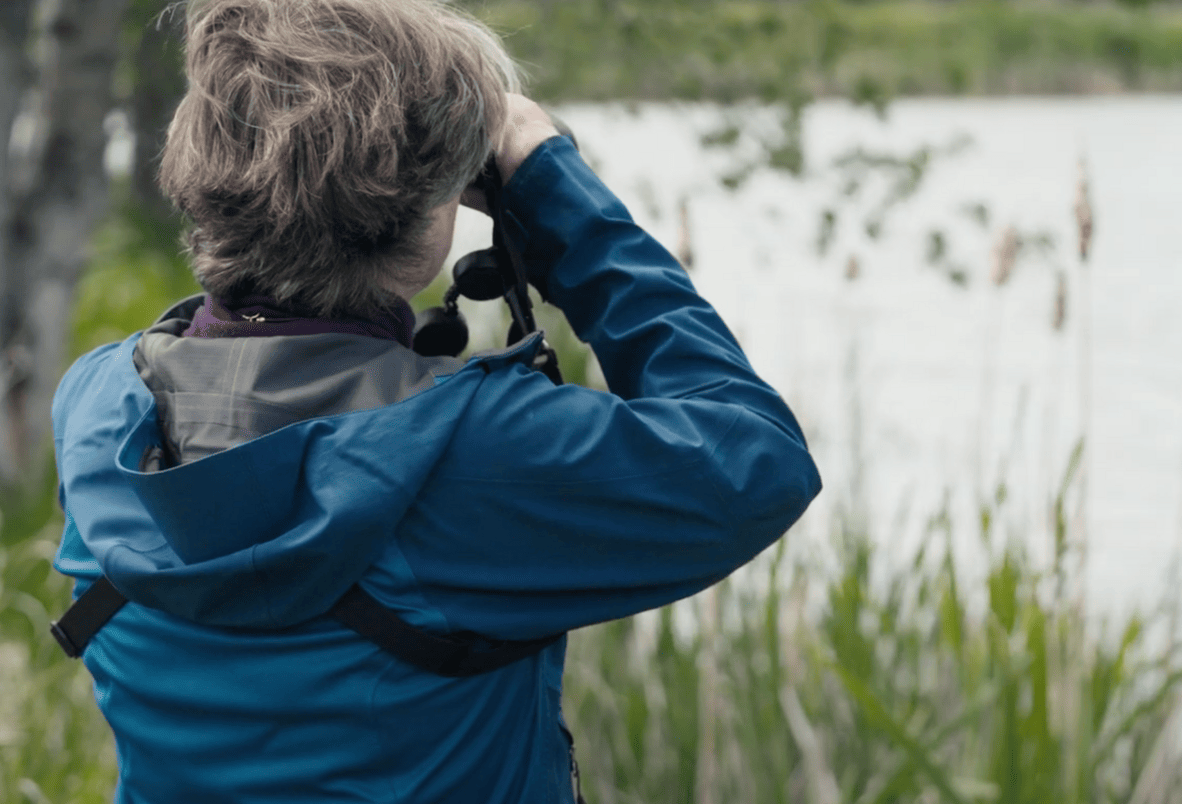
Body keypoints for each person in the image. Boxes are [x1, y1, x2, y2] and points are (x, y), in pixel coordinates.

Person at [45, 1, 820, 801]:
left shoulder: (100, 408)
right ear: (425, 221)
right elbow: (758, 457)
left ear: (201, 171)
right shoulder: (474, 455)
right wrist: (556, 195)